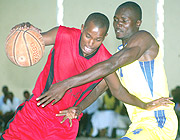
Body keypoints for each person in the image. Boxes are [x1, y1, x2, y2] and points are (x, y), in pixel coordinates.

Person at [37, 1, 178, 140]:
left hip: (158, 120)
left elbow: (109, 65)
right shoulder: (119, 54)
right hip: (138, 124)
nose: (118, 24)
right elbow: (100, 88)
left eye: (124, 20)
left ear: (138, 23)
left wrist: (65, 84)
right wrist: (79, 108)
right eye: (116, 20)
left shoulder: (144, 38)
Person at [1, 12, 114, 140]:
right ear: (82, 28)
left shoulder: (107, 62)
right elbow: (33, 43)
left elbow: (99, 89)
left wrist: (79, 108)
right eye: (88, 36)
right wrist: (24, 33)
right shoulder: (63, 35)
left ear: (105, 37)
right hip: (36, 111)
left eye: (98, 39)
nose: (91, 43)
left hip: (65, 121)